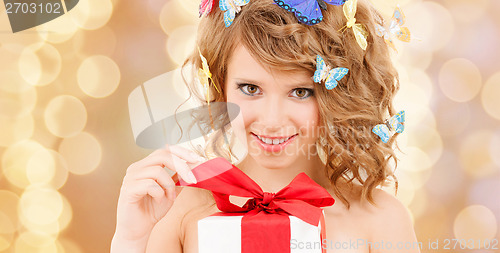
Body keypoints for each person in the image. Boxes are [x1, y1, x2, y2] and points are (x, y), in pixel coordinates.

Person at [111, 0, 420, 252]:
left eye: (300, 92)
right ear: (220, 86)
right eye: (250, 89)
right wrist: (131, 240)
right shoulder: (177, 210)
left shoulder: (381, 221)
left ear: (337, 96)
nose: (272, 121)